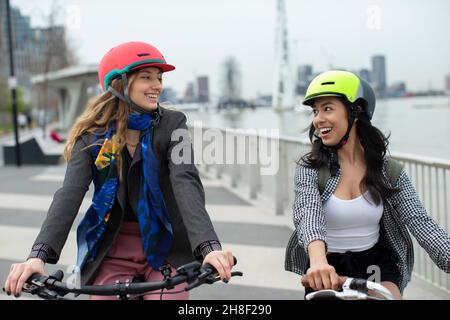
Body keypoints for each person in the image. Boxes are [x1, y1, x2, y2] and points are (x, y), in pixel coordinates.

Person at [4, 41, 234, 300]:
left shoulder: (173, 125)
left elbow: (186, 182)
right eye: (146, 77)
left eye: (158, 78)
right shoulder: (91, 137)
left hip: (166, 247)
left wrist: (209, 248)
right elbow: (69, 194)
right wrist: (38, 256)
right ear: (120, 84)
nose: (157, 85)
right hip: (115, 249)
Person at [284, 70, 450, 299]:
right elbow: (308, 214)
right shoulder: (311, 170)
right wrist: (318, 261)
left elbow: (420, 222)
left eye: (328, 108)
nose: (318, 119)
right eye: (315, 111)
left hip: (377, 264)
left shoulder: (387, 170)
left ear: (356, 110)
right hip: (327, 268)